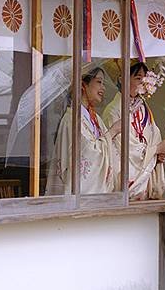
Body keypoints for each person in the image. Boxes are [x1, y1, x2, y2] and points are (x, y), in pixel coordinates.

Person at [102, 61, 165, 201]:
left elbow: (154, 135)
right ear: (122, 79)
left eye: (144, 78)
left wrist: (158, 154)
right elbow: (125, 148)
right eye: (138, 78)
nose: (143, 82)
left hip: (145, 181)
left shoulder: (143, 108)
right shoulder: (113, 111)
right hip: (127, 178)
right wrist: (155, 150)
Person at [45, 67, 121, 195]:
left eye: (103, 83)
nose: (103, 88)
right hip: (82, 193)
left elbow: (102, 148)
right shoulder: (72, 118)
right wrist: (112, 132)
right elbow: (88, 153)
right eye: (99, 82)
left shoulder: (94, 118)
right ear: (83, 85)